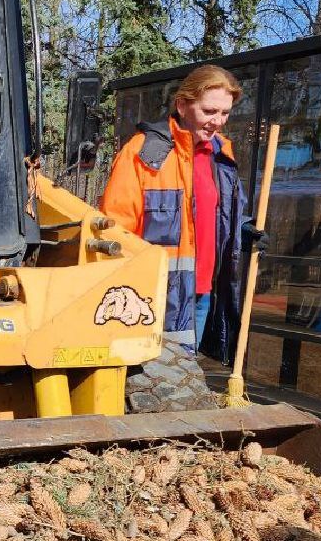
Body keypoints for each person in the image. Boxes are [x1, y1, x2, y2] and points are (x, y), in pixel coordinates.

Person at [99, 64, 262, 360]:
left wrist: (244, 228)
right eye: (210, 111)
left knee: (184, 378)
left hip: (201, 292)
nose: (218, 122)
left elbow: (218, 214)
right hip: (153, 298)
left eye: (225, 113)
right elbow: (116, 229)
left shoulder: (221, 156)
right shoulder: (145, 153)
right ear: (183, 105)